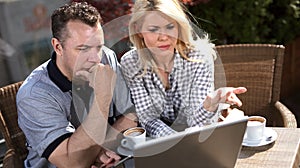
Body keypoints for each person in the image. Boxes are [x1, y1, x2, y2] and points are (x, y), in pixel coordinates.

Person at [17, 2, 137, 167]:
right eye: (83, 49)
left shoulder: (106, 58)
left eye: (98, 47)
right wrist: (103, 97)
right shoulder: (34, 95)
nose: (95, 58)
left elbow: (131, 115)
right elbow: (74, 163)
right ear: (58, 47)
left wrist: (102, 149)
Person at [120, 0, 247, 138]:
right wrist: (176, 142)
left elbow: (198, 123)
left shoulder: (199, 56)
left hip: (197, 137)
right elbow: (148, 119)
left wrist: (208, 106)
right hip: (160, 142)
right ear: (138, 30)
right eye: (153, 29)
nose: (163, 37)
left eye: (170, 27)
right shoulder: (130, 62)